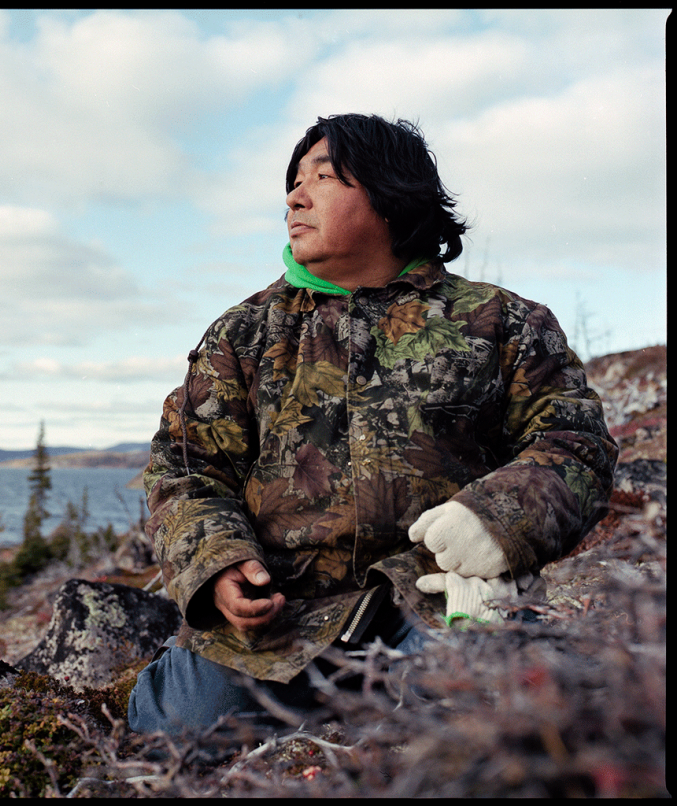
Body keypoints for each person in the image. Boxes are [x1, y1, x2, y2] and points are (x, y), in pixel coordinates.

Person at [127, 113, 617, 735]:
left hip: (439, 598)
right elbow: (187, 469)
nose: (294, 198)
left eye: (324, 177)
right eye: (293, 183)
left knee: (496, 716)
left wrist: (495, 520)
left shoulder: (503, 322)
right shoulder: (242, 334)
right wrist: (218, 565)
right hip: (280, 621)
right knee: (177, 726)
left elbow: (575, 442)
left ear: (391, 194)